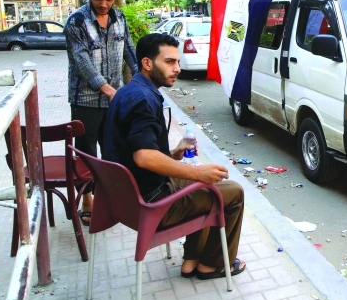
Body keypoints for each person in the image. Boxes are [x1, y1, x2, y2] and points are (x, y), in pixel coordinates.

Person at [102, 33, 246, 280]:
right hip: (152, 204)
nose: (177, 69)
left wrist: (173, 154)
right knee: (232, 193)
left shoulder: (128, 91)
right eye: (169, 62)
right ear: (147, 63)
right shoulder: (143, 99)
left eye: (178, 62)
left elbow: (135, 152)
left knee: (204, 184)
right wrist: (197, 172)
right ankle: (212, 264)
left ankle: (191, 260)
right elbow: (144, 158)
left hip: (130, 197)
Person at [64, 0, 138, 225]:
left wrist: (142, 79)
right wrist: (107, 89)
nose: (104, 4)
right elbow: (81, 61)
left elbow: (129, 49)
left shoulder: (119, 18)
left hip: (114, 100)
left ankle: (110, 198)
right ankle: (87, 199)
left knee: (113, 150)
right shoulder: (76, 22)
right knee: (87, 154)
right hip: (85, 100)